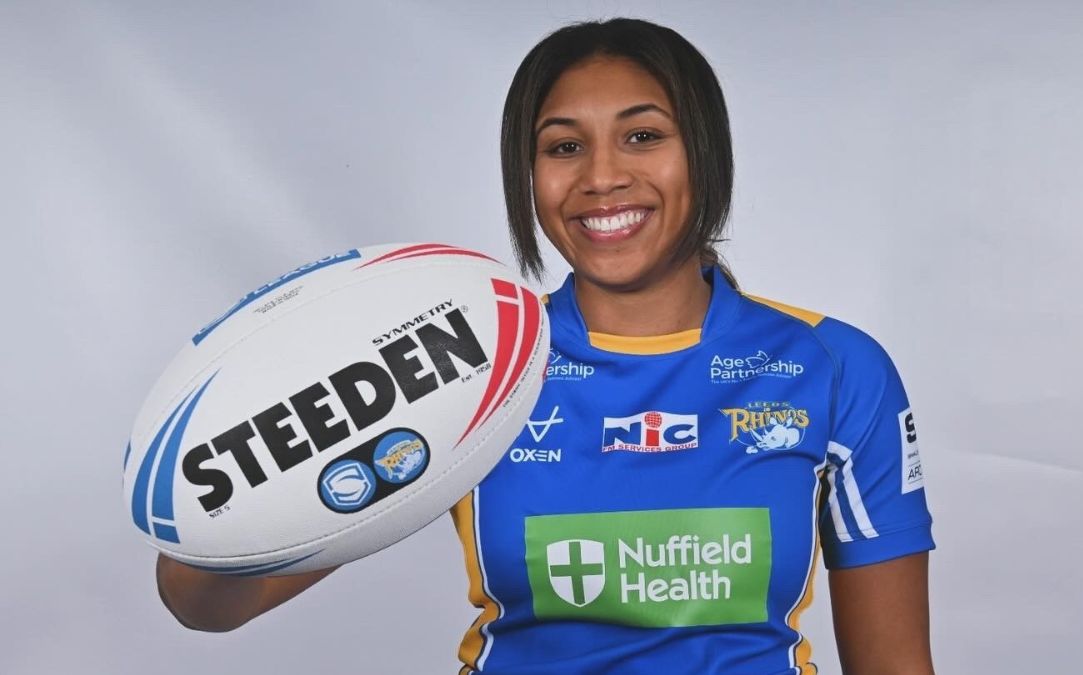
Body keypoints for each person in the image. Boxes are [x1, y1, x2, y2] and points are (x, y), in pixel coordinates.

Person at [157, 17, 935, 675]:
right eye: (563, 147)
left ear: (705, 152)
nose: (602, 176)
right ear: (526, 174)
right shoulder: (474, 361)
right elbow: (207, 606)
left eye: (642, 135)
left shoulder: (831, 366)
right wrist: (239, 461)